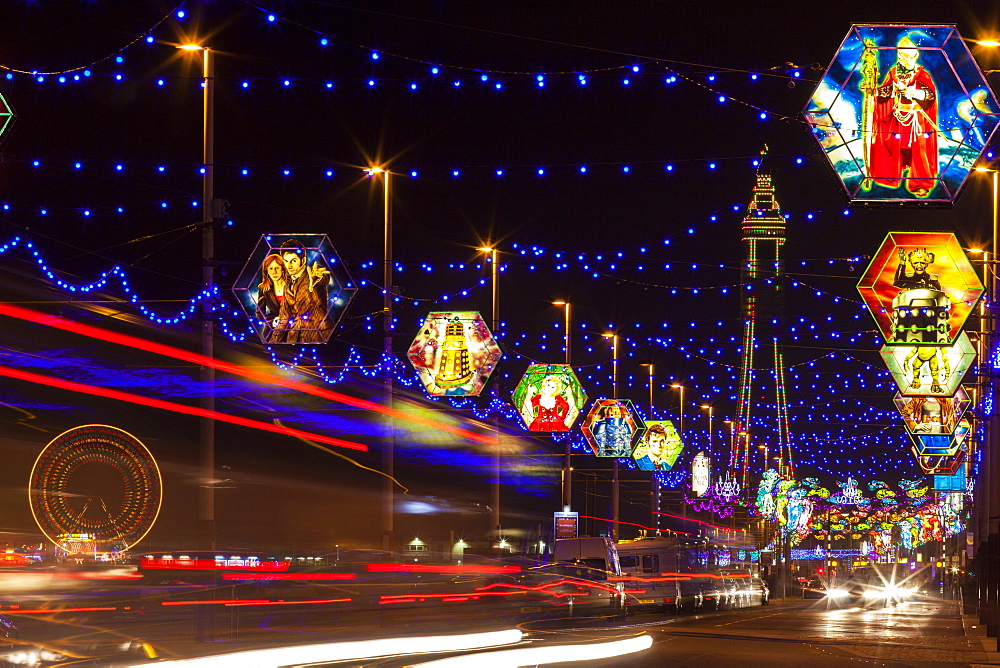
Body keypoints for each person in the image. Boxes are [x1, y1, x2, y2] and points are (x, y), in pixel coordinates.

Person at [867, 35, 939, 197]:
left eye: (913, 56)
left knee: (918, 150)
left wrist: (915, 92)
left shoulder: (921, 74)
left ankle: (920, 182)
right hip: (897, 117)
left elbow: (930, 95)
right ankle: (890, 175)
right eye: (906, 56)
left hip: (916, 119)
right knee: (893, 144)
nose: (910, 60)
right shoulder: (893, 72)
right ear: (899, 56)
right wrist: (877, 90)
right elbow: (885, 91)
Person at [269, 239, 333, 344]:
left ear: (302, 261)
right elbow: (284, 318)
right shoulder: (287, 286)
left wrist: (319, 277)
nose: (289, 266)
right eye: (286, 261)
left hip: (319, 335)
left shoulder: (311, 275)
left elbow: (323, 278)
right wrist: (271, 343)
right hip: (295, 338)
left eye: (293, 261)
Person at [256, 253, 288, 340]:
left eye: (277, 268)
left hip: (292, 329)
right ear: (267, 271)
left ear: (282, 269)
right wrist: (272, 320)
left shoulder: (292, 285)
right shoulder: (264, 289)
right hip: (272, 332)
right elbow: (260, 314)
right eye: (271, 268)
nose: (274, 272)